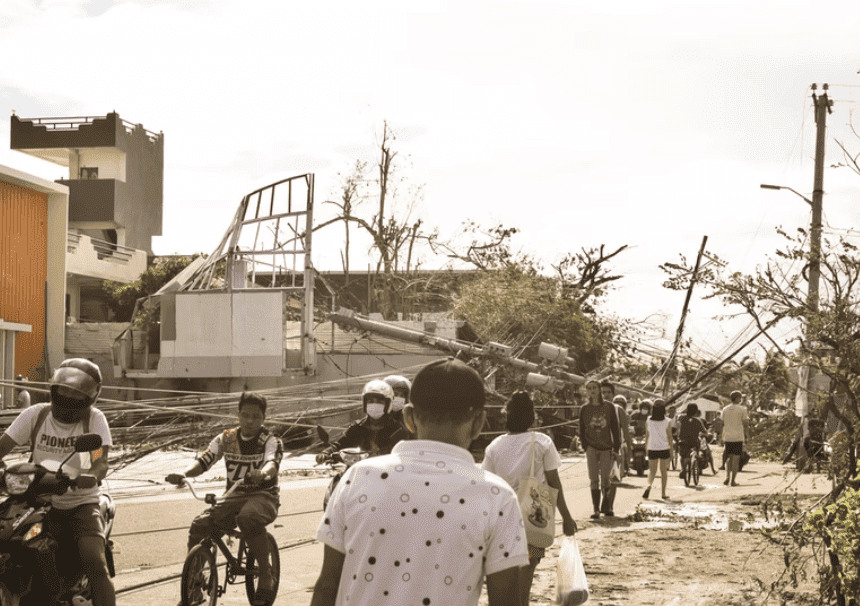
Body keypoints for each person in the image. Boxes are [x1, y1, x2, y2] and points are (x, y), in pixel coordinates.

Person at [311, 357, 528, 606]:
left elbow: (327, 585)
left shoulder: (356, 477)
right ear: (479, 422)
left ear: (408, 417)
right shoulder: (497, 497)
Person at [0, 358, 115, 606]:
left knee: (94, 561)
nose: (68, 397)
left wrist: (90, 476)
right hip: (36, 498)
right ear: (54, 389)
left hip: (79, 503)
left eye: (76, 394)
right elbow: (3, 446)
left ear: (89, 398)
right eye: (64, 390)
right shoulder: (35, 414)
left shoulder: (93, 420)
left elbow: (99, 460)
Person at [166, 392, 283, 606]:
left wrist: (263, 474)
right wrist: (184, 474)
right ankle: (195, 586)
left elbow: (271, 464)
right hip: (233, 496)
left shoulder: (270, 440)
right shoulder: (226, 438)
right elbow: (205, 460)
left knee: (248, 518)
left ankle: (266, 575)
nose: (249, 421)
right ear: (238, 415)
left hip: (264, 496)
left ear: (263, 418)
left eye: (256, 417)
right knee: (200, 525)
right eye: (245, 415)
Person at [482, 391, 577, 605]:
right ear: (531, 417)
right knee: (527, 573)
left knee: (505, 575)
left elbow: (488, 488)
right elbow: (554, 483)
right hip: (535, 519)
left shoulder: (494, 447)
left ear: (507, 415)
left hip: (502, 519)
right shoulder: (542, 442)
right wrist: (567, 518)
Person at [316, 379, 405, 462]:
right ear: (365, 404)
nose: (374, 404)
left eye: (379, 402)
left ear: (387, 404)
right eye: (370, 401)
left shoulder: (396, 430)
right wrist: (326, 453)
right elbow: (339, 445)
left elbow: (397, 453)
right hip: (358, 472)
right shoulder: (357, 428)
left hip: (385, 474)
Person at [579, 379, 621, 519]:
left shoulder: (609, 407)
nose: (592, 390)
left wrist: (617, 447)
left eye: (594, 388)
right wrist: (585, 445)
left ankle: (607, 506)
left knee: (605, 479)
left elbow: (615, 428)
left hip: (606, 448)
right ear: (587, 391)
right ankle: (596, 509)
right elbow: (581, 429)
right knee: (593, 479)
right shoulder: (584, 409)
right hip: (591, 447)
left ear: (599, 389)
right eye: (589, 388)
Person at [642, 401, 673, 500]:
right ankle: (663, 493)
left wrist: (646, 448)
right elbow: (670, 437)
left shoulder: (648, 420)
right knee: (664, 472)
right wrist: (671, 451)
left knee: (652, 471)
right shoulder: (668, 421)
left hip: (652, 448)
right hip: (664, 448)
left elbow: (647, 435)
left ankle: (649, 486)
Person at [721, 390, 749, 486]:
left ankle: (727, 477)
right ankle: (733, 480)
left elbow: (722, 422)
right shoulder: (742, 409)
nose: (741, 399)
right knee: (736, 459)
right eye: (740, 397)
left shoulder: (725, 409)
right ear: (737, 398)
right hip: (738, 437)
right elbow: (745, 423)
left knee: (729, 458)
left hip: (728, 437)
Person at [677, 403, 708, 481]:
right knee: (698, 447)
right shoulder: (698, 420)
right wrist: (706, 434)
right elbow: (705, 431)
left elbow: (677, 426)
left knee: (682, 456)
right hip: (694, 441)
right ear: (696, 411)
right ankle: (696, 456)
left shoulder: (681, 417)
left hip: (683, 441)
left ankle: (683, 469)